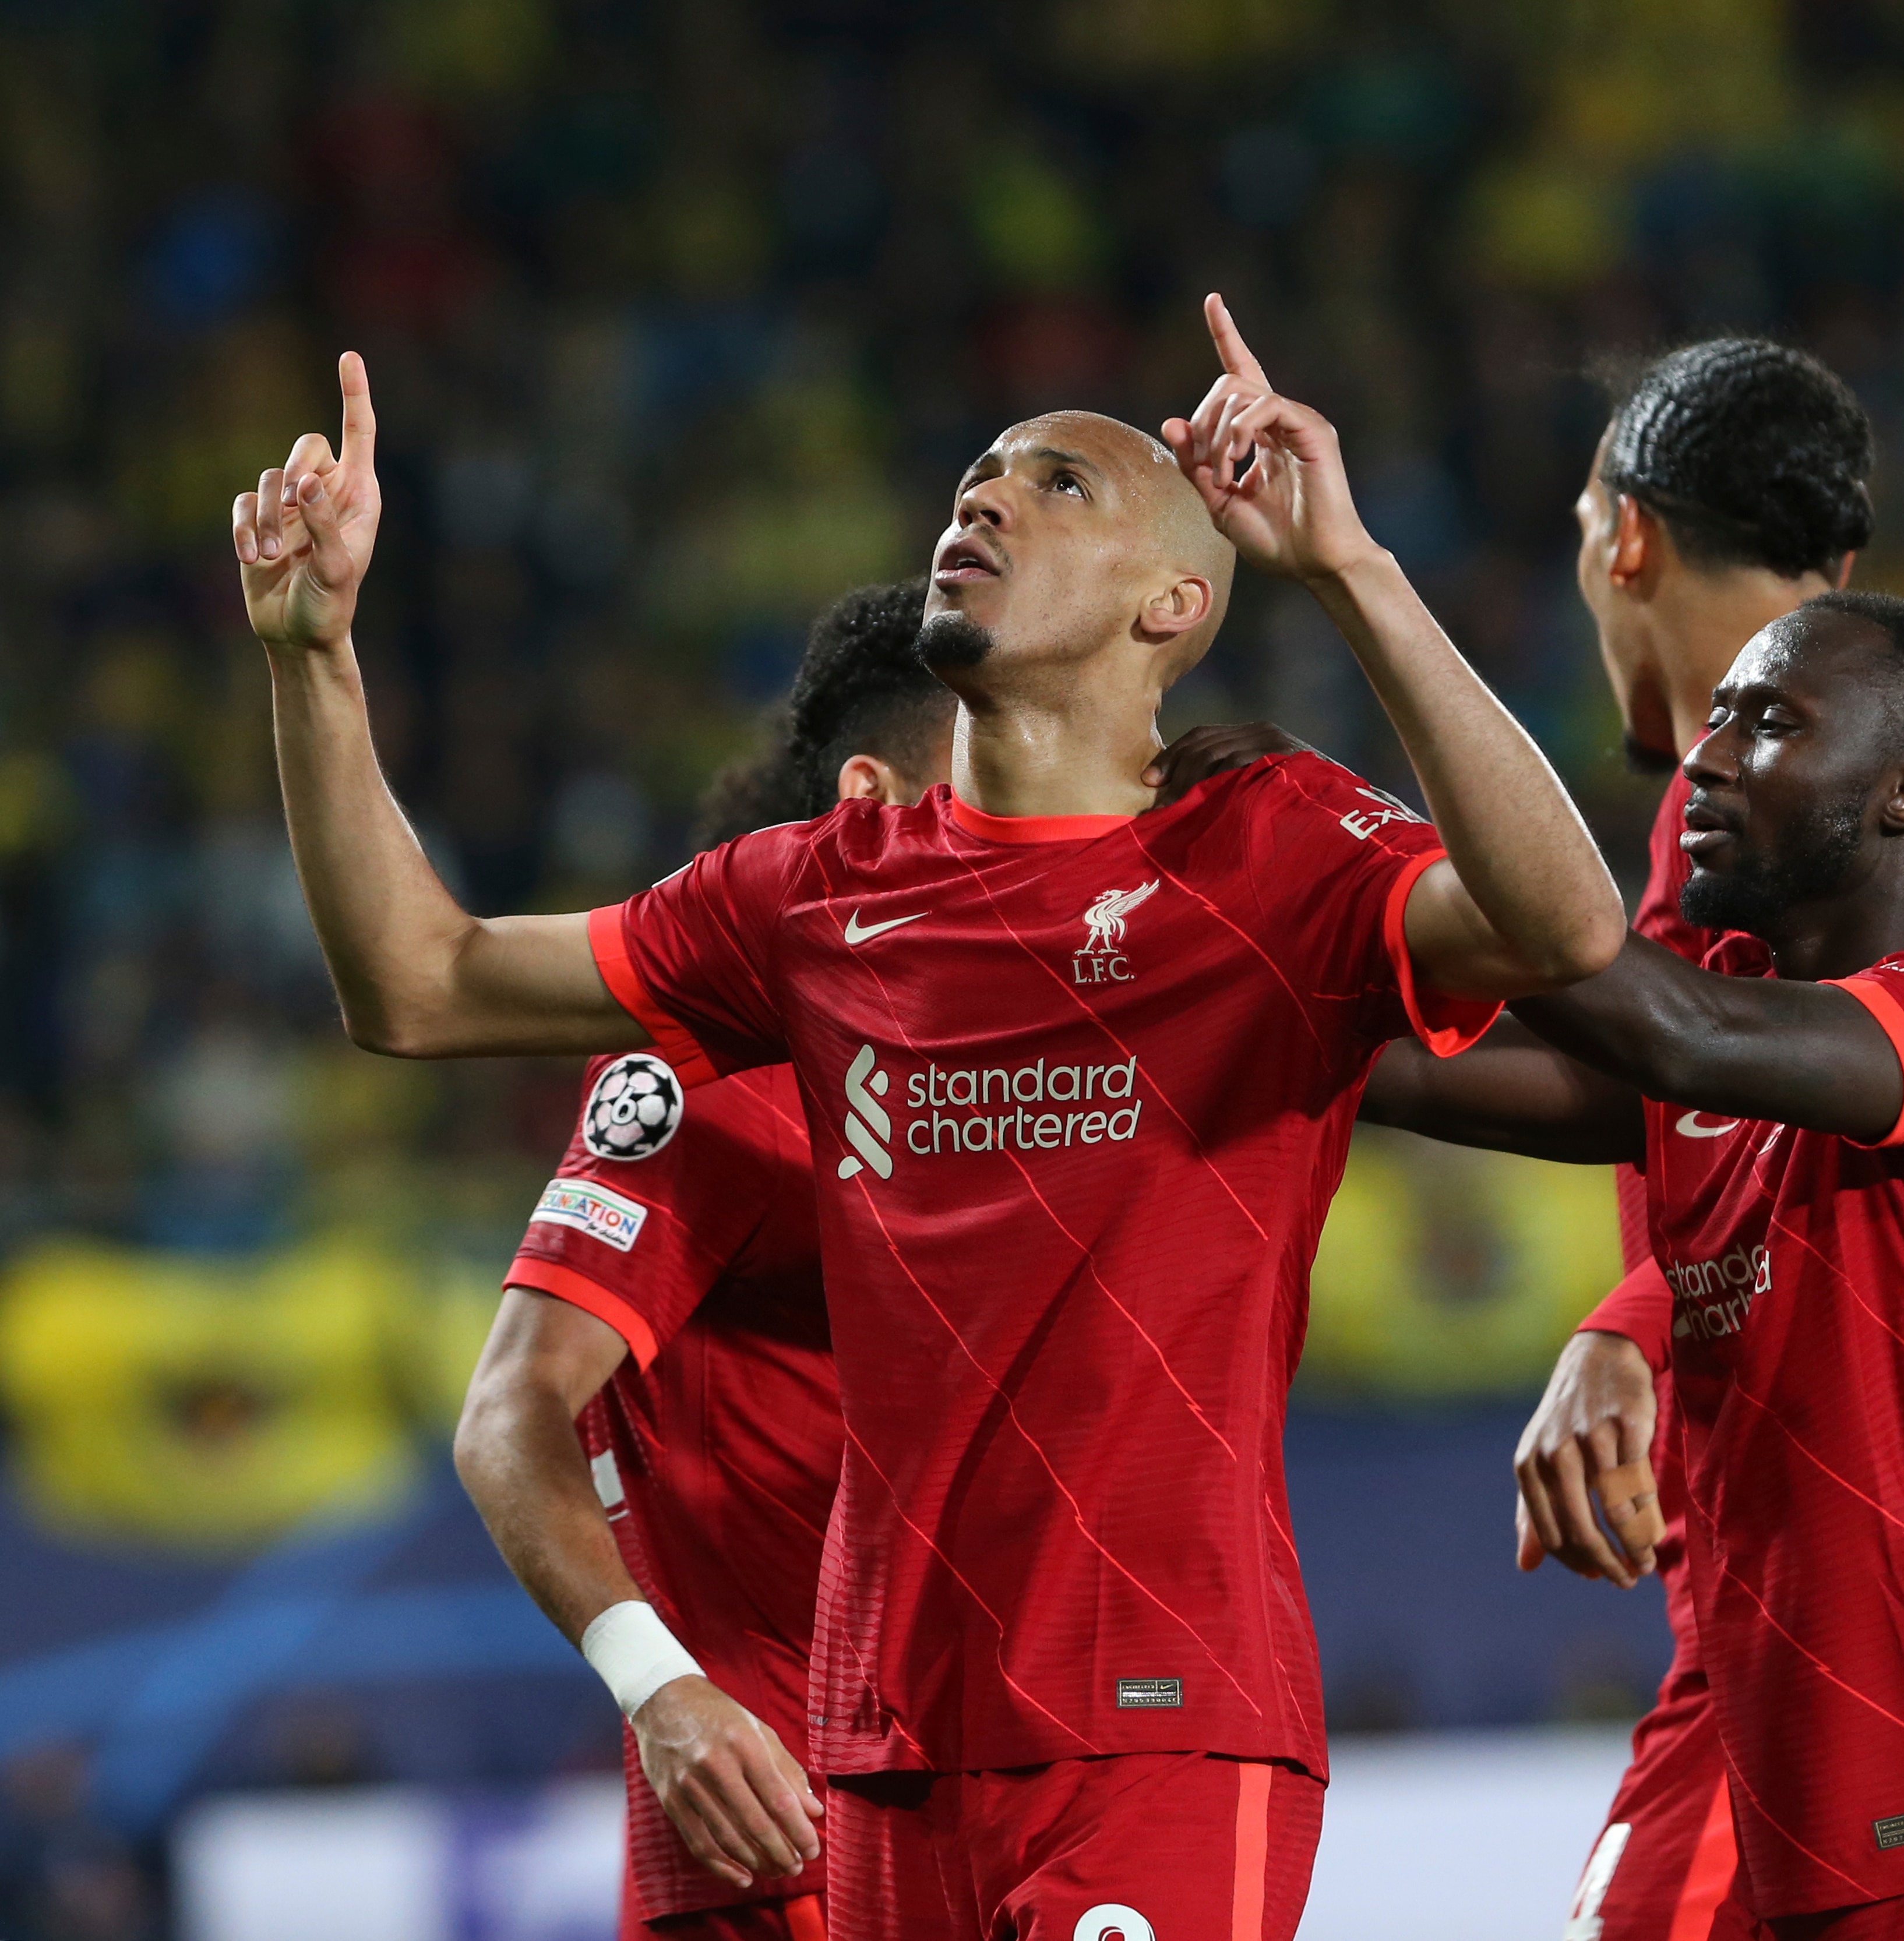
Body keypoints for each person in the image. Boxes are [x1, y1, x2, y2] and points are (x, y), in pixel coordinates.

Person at [233, 300, 1626, 1941]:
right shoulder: (815, 900)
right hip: (881, 1734)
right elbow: (420, 981)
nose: (985, 498)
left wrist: (1355, 573)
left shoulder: (1268, 855)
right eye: (977, 474)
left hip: (1159, 1709)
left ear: (1173, 604)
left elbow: (1564, 928)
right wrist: (313, 659)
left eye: (1058, 486)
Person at [1461, 338, 1904, 1941]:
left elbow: (1693, 1053)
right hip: (1798, 1607)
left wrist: (1636, 1322)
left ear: (1619, 536)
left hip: (1894, 1645)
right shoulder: (1850, 816)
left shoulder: (1883, 840)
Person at [455, 580, 957, 1939]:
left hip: (999, 1807)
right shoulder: (715, 1073)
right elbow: (511, 1408)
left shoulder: (1032, 1064)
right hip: (786, 1834)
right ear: (879, 793)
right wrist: (657, 1681)